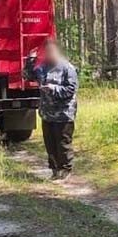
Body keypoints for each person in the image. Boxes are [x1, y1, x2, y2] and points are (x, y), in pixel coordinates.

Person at [30, 41, 78, 180]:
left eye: (52, 51)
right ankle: (55, 170)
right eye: (47, 52)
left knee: (63, 143)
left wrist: (53, 89)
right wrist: (30, 60)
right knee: (50, 143)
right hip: (47, 113)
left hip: (64, 113)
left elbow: (71, 89)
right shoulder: (43, 67)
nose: (49, 54)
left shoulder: (67, 68)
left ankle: (66, 170)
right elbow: (28, 75)